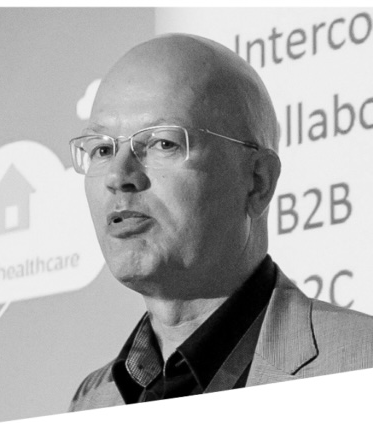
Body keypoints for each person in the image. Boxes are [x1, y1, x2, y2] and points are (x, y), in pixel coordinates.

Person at [68, 34, 373, 411]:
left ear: (258, 181)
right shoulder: (92, 404)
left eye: (163, 143)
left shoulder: (360, 367)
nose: (118, 176)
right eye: (101, 149)